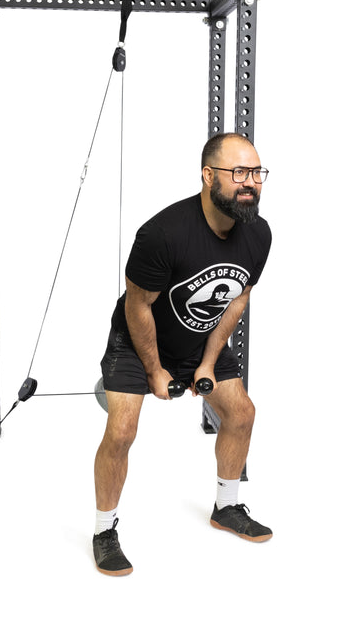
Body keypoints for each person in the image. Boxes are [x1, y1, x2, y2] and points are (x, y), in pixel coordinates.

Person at [92, 132, 273, 576]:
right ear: (209, 176)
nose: (250, 182)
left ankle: (226, 508)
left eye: (256, 172)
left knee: (242, 413)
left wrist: (208, 362)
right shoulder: (162, 233)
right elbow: (138, 306)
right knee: (122, 430)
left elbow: (236, 299)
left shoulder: (259, 234)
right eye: (238, 173)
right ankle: (103, 531)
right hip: (138, 342)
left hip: (199, 341)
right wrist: (155, 371)